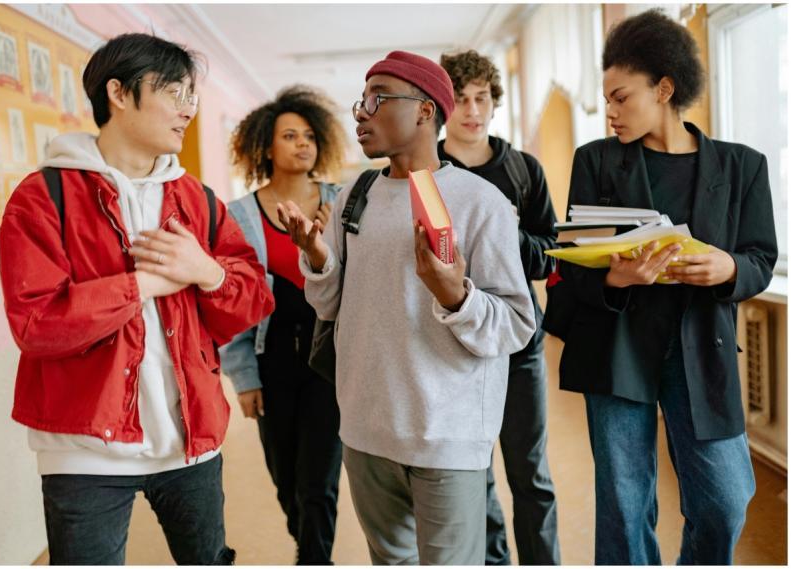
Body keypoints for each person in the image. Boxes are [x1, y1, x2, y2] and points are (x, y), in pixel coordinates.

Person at [0, 33, 275, 565]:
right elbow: (36, 324)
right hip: (84, 453)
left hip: (192, 439)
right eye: (174, 92)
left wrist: (207, 272)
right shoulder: (43, 197)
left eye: (191, 96)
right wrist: (144, 284)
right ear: (119, 94)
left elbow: (251, 299)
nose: (187, 110)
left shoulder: (195, 198)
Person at [278, 50, 536, 565]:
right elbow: (329, 307)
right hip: (366, 430)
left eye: (378, 99)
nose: (361, 112)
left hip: (447, 436)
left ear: (424, 110)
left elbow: (516, 325)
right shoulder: (357, 195)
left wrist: (453, 295)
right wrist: (317, 257)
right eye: (361, 100)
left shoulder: (479, 202)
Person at [555, 10, 777, 564]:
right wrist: (616, 275)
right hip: (618, 345)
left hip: (702, 346)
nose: (609, 112)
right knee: (624, 508)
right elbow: (575, 263)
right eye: (605, 99)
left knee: (725, 501)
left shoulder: (743, 166)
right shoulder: (596, 162)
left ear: (665, 88)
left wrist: (727, 268)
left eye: (621, 97)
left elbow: (760, 258)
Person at [438, 49, 560, 566]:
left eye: (481, 97)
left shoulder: (523, 169)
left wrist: (505, 230)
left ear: (494, 101)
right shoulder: (427, 171)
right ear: (443, 105)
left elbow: (549, 256)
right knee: (475, 471)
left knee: (530, 472)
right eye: (460, 98)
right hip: (453, 343)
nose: (471, 109)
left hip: (518, 341)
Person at [221, 86, 346, 565]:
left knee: (320, 478)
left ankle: (315, 559)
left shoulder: (341, 203)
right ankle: (307, 543)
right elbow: (232, 304)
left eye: (309, 136)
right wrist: (243, 378)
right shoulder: (240, 215)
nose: (302, 144)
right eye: (289, 136)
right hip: (269, 359)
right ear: (265, 147)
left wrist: (330, 237)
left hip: (328, 359)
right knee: (286, 477)